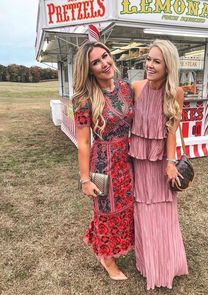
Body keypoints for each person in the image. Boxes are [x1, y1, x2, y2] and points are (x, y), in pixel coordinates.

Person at [72, 41, 134, 281]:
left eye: (105, 56)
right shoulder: (84, 100)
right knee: (106, 212)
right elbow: (84, 143)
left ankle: (114, 249)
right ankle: (107, 258)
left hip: (128, 159)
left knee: (126, 209)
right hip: (103, 163)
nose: (104, 64)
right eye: (95, 62)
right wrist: (85, 179)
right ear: (89, 70)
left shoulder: (126, 88)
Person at [129, 39, 188, 289]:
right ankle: (147, 264)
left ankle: (164, 266)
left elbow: (172, 131)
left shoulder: (176, 92)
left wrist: (171, 162)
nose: (150, 65)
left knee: (163, 212)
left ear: (168, 66)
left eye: (156, 61)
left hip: (161, 163)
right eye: (148, 59)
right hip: (139, 162)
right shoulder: (136, 86)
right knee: (143, 210)